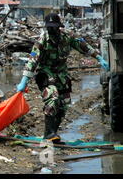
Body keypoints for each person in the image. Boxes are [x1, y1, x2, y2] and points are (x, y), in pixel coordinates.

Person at [16, 13, 109, 143]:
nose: (51, 30)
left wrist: (98, 58)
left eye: (54, 27)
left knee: (63, 105)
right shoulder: (42, 40)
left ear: (59, 27)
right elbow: (33, 60)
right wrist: (23, 81)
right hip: (46, 74)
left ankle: (53, 133)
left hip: (62, 75)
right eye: (49, 27)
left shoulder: (68, 36)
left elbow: (83, 46)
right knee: (52, 98)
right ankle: (48, 134)